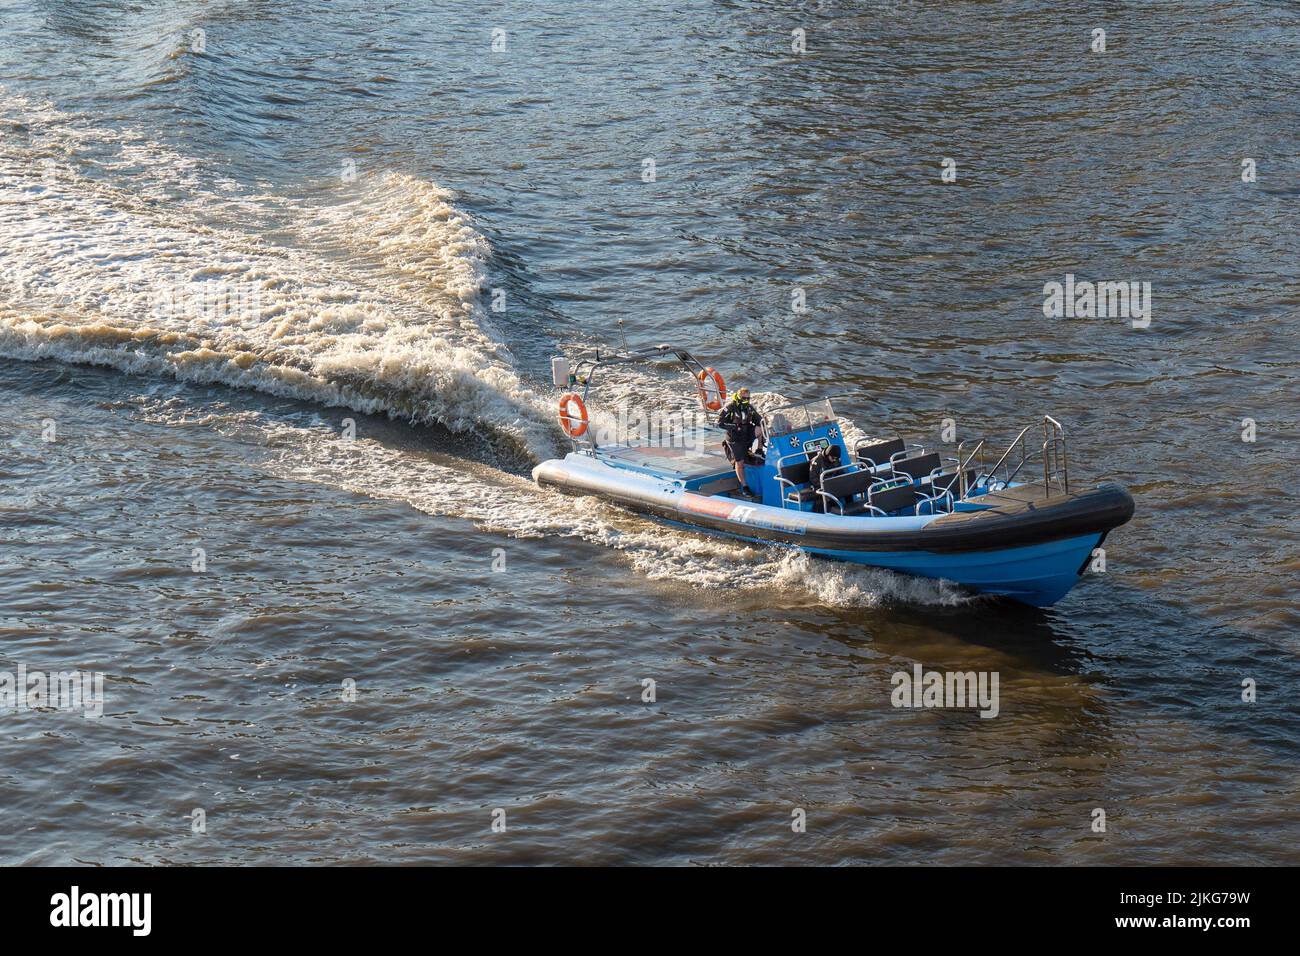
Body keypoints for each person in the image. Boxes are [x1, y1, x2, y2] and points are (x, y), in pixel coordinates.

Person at [717, 387, 765, 497]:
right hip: (735, 438)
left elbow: (760, 420)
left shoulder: (749, 408)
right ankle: (744, 486)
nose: (746, 401)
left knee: (761, 428)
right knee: (740, 462)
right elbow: (720, 423)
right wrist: (734, 426)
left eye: (748, 398)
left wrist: (765, 423)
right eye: (744, 398)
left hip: (746, 435)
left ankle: (759, 450)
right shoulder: (730, 408)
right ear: (738, 397)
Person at [807, 443, 842, 512]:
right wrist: (825, 485)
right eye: (833, 458)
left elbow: (840, 471)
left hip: (830, 482)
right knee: (828, 493)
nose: (834, 460)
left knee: (846, 486)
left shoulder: (836, 459)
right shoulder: (817, 461)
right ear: (828, 455)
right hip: (819, 485)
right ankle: (828, 511)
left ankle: (848, 507)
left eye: (836, 458)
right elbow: (813, 478)